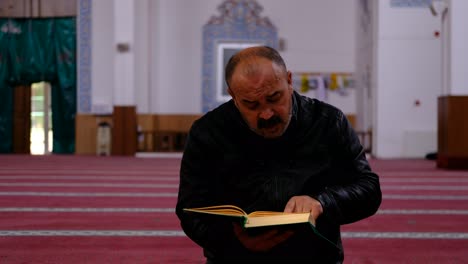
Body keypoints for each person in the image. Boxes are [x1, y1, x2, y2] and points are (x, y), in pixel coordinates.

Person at [176, 46, 381, 263]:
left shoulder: (329, 122)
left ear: (289, 81)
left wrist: (323, 202)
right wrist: (232, 242)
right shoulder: (208, 132)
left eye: (274, 98)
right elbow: (190, 209)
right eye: (251, 104)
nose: (266, 114)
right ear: (233, 96)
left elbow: (369, 189)